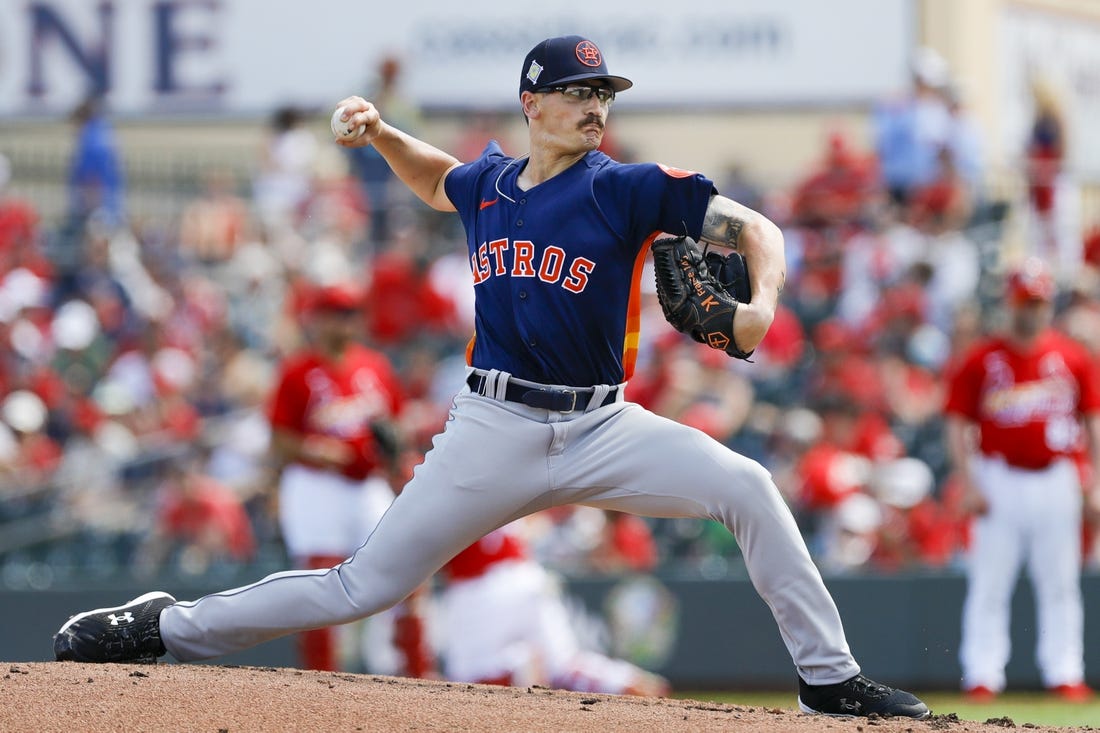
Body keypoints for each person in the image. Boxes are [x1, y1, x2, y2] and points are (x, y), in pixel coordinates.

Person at [52, 35, 929, 720]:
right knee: (362, 586)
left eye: (603, 93)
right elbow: (438, 179)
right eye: (577, 92)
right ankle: (164, 626)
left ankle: (829, 678)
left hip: (603, 425)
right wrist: (383, 134)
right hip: (493, 426)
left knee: (748, 487)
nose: (594, 107)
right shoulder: (491, 185)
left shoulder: (624, 188)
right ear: (531, 102)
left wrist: (761, 306)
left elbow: (758, 230)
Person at [944, 256, 1099, 703]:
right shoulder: (982, 359)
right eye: (1023, 301)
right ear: (1009, 302)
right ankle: (982, 673)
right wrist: (968, 482)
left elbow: (1093, 421)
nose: (1030, 310)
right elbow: (956, 423)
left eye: (1037, 301)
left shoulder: (1072, 357)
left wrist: (1095, 483)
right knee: (990, 582)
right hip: (999, 477)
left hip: (1057, 477)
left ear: (1048, 304)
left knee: (1061, 582)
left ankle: (1065, 671)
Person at [266, 282, 405, 671]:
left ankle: (411, 675)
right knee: (320, 580)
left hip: (368, 483)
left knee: (402, 569)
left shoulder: (375, 367)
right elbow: (279, 440)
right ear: (317, 319)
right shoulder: (298, 371)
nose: (344, 322)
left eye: (351, 314)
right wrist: (320, 451)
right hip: (317, 484)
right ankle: (320, 680)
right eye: (336, 314)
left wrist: (392, 450)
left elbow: (396, 425)